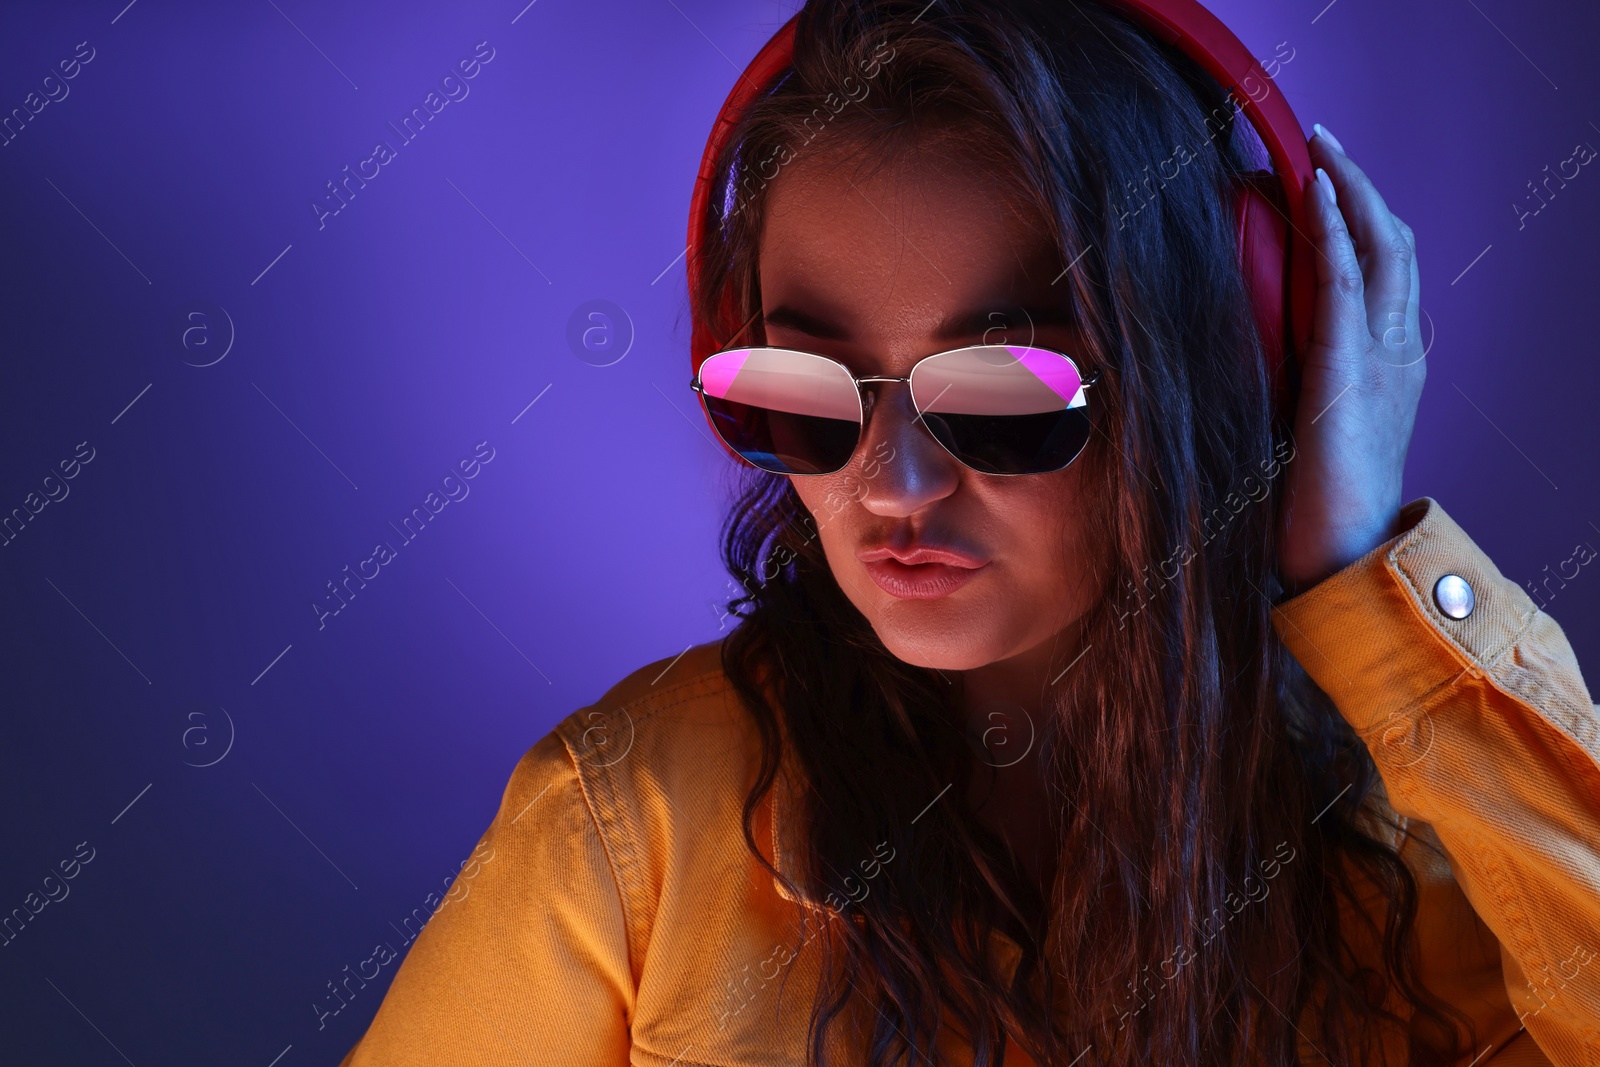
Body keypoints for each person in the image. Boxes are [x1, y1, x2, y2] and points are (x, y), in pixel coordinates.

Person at [338, 1, 1600, 1064]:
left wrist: (1360, 571)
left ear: (1223, 374)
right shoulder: (625, 830)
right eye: (802, 393)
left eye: (1001, 394)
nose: (891, 485)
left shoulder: (1437, 827)